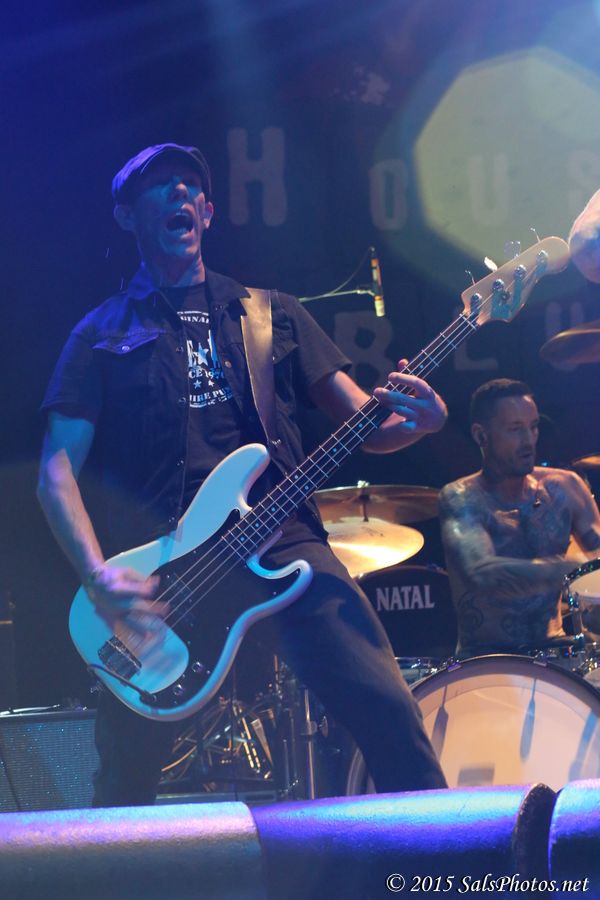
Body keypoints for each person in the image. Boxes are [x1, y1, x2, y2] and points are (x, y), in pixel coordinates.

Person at [37, 142, 448, 806]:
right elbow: (56, 472)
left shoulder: (272, 312)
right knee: (123, 785)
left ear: (207, 211)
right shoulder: (99, 334)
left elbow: (367, 426)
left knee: (390, 713)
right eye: (159, 184)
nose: (178, 192)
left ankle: (450, 854)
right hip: (168, 574)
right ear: (126, 215)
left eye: (189, 185)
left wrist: (421, 424)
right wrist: (95, 574)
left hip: (284, 542)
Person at [439, 378, 600, 658]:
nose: (528, 440)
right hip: (487, 660)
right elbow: (482, 573)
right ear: (481, 436)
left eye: (533, 427)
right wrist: (573, 570)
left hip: (556, 656)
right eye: (515, 429)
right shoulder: (461, 497)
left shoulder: (567, 487)